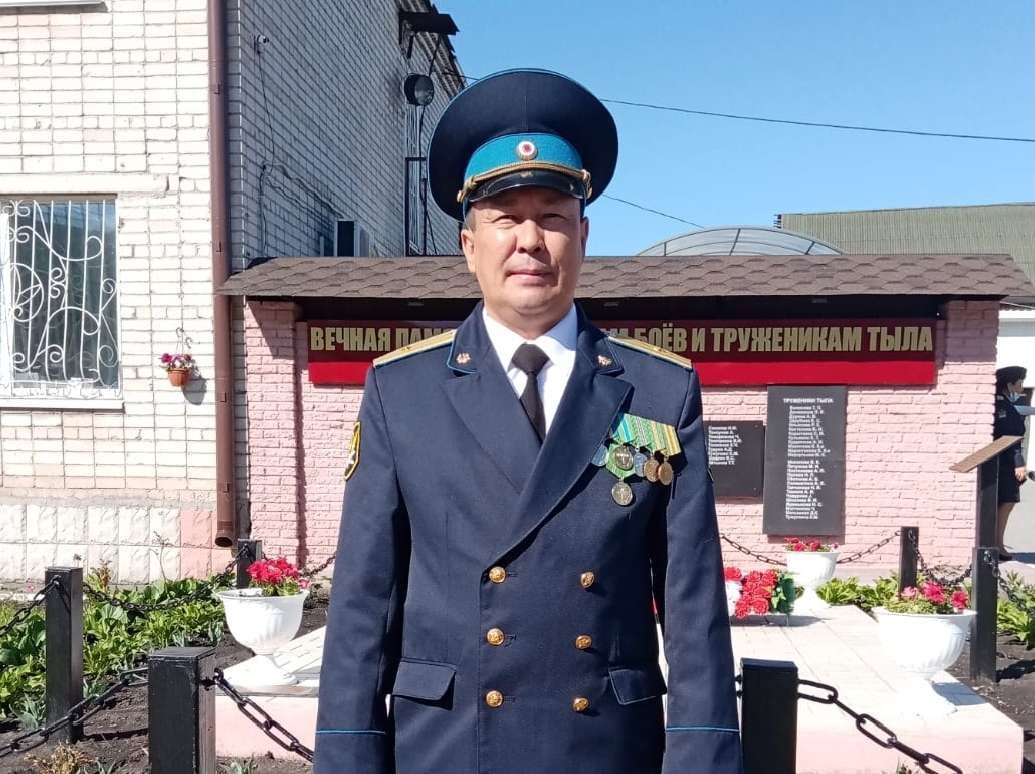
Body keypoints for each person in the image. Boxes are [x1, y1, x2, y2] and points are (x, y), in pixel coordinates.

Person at [314, 69, 742, 774]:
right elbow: (364, 601)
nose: (530, 240)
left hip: (604, 748)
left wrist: (702, 759)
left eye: (551, 216)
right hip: (451, 747)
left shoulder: (660, 391)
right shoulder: (402, 391)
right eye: (505, 218)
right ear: (468, 244)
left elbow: (692, 603)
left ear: (583, 235)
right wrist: (349, 758)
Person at [994, 365, 1030, 561]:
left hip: (1004, 462)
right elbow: (1010, 439)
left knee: (1005, 502)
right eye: (1019, 382)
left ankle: (997, 544)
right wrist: (1019, 463)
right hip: (1005, 463)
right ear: (1009, 384)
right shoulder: (1002, 406)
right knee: (1007, 501)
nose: (1021, 387)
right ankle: (998, 546)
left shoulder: (1004, 403)